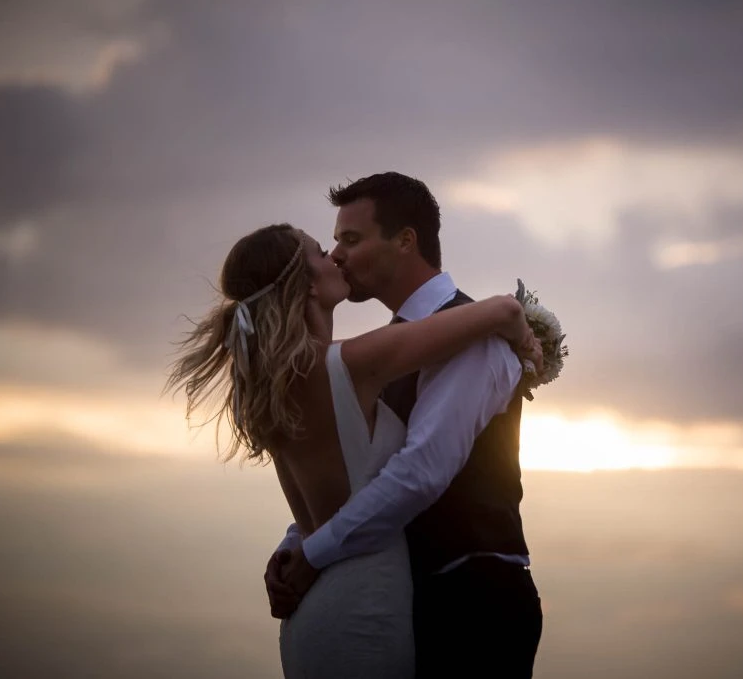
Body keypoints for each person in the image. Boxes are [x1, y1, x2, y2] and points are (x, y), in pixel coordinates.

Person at [167, 222, 541, 678]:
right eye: (324, 252)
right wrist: (522, 333)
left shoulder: (273, 386)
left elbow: (336, 490)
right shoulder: (349, 365)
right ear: (305, 283)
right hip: (364, 599)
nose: (336, 258)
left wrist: (299, 548)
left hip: (311, 611)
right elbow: (501, 309)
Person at [265, 172, 544, 678]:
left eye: (351, 239)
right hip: (413, 601)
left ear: (405, 240)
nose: (336, 256)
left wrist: (314, 553)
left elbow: (422, 470)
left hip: (474, 604)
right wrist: (295, 542)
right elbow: (364, 470)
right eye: (333, 243)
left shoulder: (475, 334)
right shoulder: (389, 348)